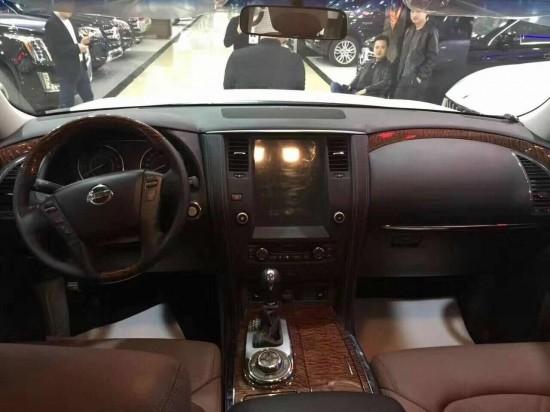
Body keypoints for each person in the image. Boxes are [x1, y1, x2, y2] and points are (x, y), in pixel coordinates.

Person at [44, 0, 93, 108]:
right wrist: (77, 48)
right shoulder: (51, 24)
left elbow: (72, 41)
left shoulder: (70, 20)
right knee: (67, 103)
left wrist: (82, 41)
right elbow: (55, 50)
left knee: (89, 98)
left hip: (80, 66)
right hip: (67, 70)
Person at [223, 37, 305, 90]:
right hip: (282, 112)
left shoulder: (236, 56)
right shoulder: (295, 60)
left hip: (243, 111)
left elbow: (227, 88)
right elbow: (299, 91)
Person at [392, 8, 439, 101]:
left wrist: (420, 77)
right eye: (412, 11)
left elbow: (432, 57)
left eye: (418, 11)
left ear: (426, 13)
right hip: (403, 76)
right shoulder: (409, 30)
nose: (414, 14)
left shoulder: (431, 31)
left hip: (416, 79)